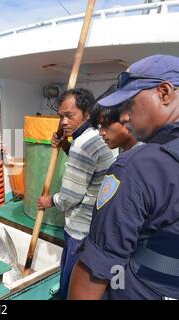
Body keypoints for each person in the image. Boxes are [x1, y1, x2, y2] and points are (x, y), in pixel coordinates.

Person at [69, 54, 179, 300]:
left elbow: (96, 268)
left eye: (130, 104)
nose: (126, 116)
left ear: (164, 93)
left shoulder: (136, 168)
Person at [36, 88, 114, 300]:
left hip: (80, 229)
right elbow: (91, 168)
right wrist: (64, 146)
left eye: (70, 116)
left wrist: (49, 200)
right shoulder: (99, 138)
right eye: (61, 116)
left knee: (70, 285)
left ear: (87, 113)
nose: (63, 122)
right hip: (96, 226)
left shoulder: (81, 145)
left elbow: (71, 197)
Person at [89, 87, 141, 153]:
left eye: (106, 125)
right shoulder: (128, 154)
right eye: (100, 126)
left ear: (126, 118)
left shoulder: (142, 158)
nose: (101, 133)